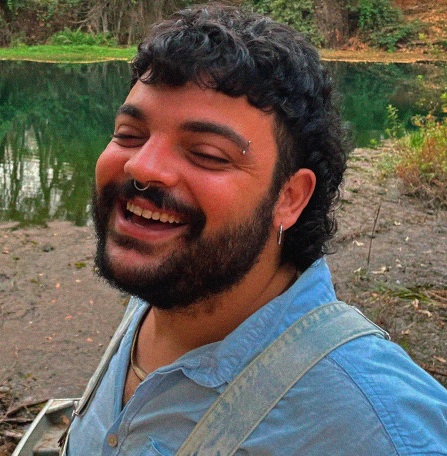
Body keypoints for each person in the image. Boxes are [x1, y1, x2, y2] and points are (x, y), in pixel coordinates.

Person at [65, 3, 447, 455]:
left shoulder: (381, 427)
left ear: (290, 198)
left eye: (207, 154)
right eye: (129, 134)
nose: (141, 166)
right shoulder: (167, 286)